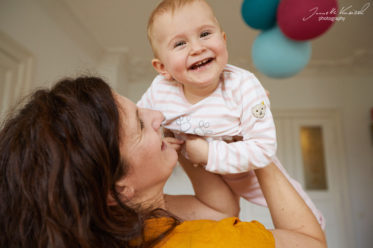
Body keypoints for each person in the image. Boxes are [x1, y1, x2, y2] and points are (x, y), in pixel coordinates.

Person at [0, 76, 327, 248]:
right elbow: (311, 244)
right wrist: (256, 146)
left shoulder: (124, 220)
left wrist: (181, 130)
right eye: (141, 124)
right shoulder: (204, 244)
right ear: (118, 190)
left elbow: (220, 210)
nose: (158, 115)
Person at [138, 0, 325, 227]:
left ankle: (316, 223)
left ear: (224, 41)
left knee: (296, 205)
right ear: (162, 68)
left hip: (246, 168)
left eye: (205, 33)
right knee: (225, 214)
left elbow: (263, 149)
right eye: (180, 44)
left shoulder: (244, 86)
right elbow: (139, 123)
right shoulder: (161, 91)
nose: (197, 48)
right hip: (203, 171)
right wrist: (160, 143)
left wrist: (208, 153)